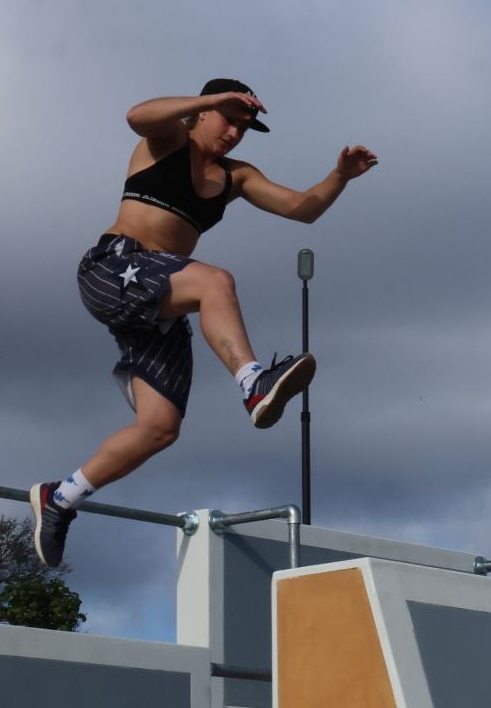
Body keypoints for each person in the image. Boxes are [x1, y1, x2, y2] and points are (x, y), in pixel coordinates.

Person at [31, 79, 378, 566]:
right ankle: (253, 382)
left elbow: (302, 209)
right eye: (229, 120)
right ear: (202, 113)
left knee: (160, 427)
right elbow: (136, 114)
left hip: (159, 299)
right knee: (216, 282)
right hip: (114, 268)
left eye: (245, 127)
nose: (235, 133)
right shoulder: (166, 140)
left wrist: (340, 175)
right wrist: (211, 100)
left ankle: (61, 498)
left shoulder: (236, 177)